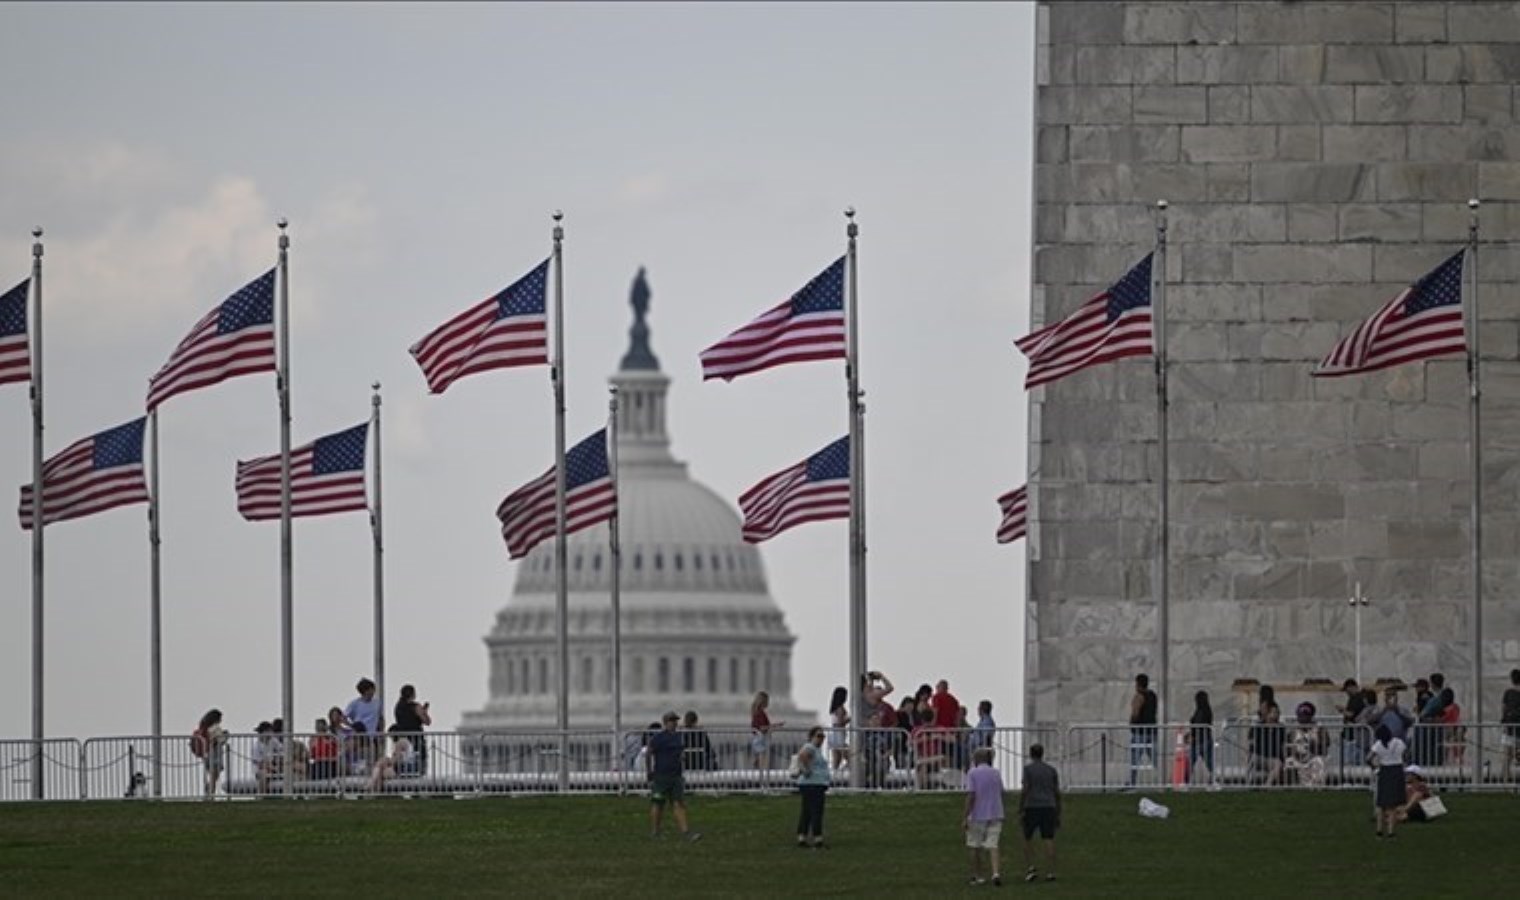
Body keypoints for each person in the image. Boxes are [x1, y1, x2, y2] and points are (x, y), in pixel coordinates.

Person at [646, 712, 700, 842]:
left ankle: (686, 832)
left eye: (675, 720)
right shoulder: (658, 738)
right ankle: (655, 832)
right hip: (661, 777)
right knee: (658, 804)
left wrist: (681, 758)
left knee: (679, 804)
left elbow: (680, 752)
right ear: (665, 722)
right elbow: (649, 753)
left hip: (676, 776)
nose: (674, 723)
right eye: (671, 720)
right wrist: (649, 772)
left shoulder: (678, 737)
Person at [964, 746, 1007, 887]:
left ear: (976, 759)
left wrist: (965, 815)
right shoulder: (995, 772)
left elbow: (971, 795)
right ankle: (995, 873)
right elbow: (1001, 791)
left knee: (974, 845)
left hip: (977, 814)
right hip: (995, 813)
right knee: (993, 845)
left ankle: (978, 876)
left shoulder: (972, 773)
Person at [1019, 743, 1060, 883]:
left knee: (1027, 837)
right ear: (1042, 754)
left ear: (1031, 754)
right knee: (1048, 838)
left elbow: (1026, 788)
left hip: (1032, 805)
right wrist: (1058, 810)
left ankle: (1031, 868)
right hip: (1049, 805)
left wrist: (1021, 806)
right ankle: (1051, 871)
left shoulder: (1028, 769)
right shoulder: (1051, 770)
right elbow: (1056, 791)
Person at [793, 726, 830, 848]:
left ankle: (802, 836)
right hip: (813, 784)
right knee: (816, 811)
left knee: (807, 811)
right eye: (819, 736)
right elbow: (802, 756)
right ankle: (817, 838)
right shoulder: (810, 747)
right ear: (812, 737)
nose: (821, 739)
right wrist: (807, 770)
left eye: (823, 736)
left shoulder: (816, 750)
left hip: (812, 784)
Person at [1369, 723, 1407, 838]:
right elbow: (1405, 753)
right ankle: (1391, 831)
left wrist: (1375, 768)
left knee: (1381, 803)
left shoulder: (1378, 745)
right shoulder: (1398, 742)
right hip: (1397, 770)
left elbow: (1368, 758)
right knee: (1393, 805)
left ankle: (1379, 830)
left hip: (1384, 770)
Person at [1284, 702, 1328, 788]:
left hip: (1314, 757)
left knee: (1319, 761)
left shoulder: (1319, 728)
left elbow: (1325, 746)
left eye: (1306, 715)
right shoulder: (1293, 731)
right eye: (1300, 715)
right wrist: (1293, 752)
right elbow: (1288, 746)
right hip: (1298, 758)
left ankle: (1316, 788)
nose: (1302, 718)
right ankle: (1290, 787)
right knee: (1289, 762)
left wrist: (1315, 746)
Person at [392, 683, 431, 776]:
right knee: (419, 760)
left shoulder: (398, 707)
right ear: (413, 694)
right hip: (416, 738)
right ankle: (420, 774)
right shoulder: (415, 706)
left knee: (403, 761)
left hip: (402, 738)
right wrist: (424, 712)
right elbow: (427, 721)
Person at [1128, 673, 1158, 786]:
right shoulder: (1153, 695)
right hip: (1152, 731)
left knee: (1135, 759)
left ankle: (1132, 782)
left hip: (1140, 732)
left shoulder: (1139, 696)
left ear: (1138, 684)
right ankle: (1164, 780)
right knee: (1155, 758)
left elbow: (1135, 713)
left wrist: (1131, 723)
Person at [192, 708, 227, 798]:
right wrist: (226, 736)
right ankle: (211, 794)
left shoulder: (203, 727)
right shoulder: (215, 728)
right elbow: (221, 740)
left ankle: (209, 791)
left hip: (206, 753)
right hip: (215, 754)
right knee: (214, 776)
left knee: (211, 775)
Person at [1249, 703, 1286, 787]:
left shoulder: (1281, 728)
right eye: (1274, 712)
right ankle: (1249, 784)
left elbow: (1283, 745)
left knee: (1278, 764)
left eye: (1277, 712)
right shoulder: (1258, 727)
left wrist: (1284, 758)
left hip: (1273, 758)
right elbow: (1252, 743)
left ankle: (1267, 785)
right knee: (1252, 759)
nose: (1276, 715)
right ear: (1268, 714)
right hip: (1259, 756)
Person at [370, 728, 417, 792]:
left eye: (391, 736)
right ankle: (375, 789)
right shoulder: (403, 742)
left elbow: (395, 760)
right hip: (402, 767)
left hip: (404, 768)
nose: (390, 738)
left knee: (381, 765)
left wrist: (387, 761)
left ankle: (372, 786)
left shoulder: (401, 742)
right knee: (381, 767)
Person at [750, 691, 783, 770]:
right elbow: (761, 727)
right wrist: (775, 726)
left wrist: (774, 726)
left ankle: (759, 773)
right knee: (763, 761)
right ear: (764, 701)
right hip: (761, 738)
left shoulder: (756, 712)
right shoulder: (760, 713)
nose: (768, 703)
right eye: (768, 701)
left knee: (760, 759)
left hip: (758, 737)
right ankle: (762, 777)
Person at [1338, 679, 1367, 765]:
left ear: (1351, 687)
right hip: (1353, 735)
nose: (1346, 692)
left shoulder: (1356, 698)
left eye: (1347, 689)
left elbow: (1351, 714)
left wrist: (1342, 710)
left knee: (1350, 761)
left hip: (1352, 736)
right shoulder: (1356, 698)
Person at [1187, 691, 1214, 786]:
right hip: (1206, 738)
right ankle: (1213, 779)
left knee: (1191, 761)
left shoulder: (1200, 711)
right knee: (1209, 762)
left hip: (1199, 740)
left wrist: (1192, 735)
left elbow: (1197, 725)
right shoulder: (1207, 710)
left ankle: (1186, 780)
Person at [827, 686, 851, 772]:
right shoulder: (840, 708)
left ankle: (834, 776)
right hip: (839, 733)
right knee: (850, 758)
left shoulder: (834, 708)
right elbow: (841, 722)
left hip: (833, 733)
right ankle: (843, 771)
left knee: (836, 760)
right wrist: (850, 718)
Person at [1502, 669, 1520, 783]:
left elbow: (1503, 708)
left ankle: (1506, 782)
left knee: (1507, 757)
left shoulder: (1508, 693)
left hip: (1509, 728)